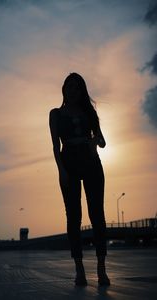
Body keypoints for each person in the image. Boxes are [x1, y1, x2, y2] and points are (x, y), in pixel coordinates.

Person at [49, 73, 110, 287]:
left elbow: (102, 141)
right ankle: (79, 269)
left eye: (77, 87)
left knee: (97, 214)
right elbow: (56, 147)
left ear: (82, 90)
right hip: (69, 163)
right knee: (73, 216)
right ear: (64, 89)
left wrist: (94, 141)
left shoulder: (89, 112)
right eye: (69, 87)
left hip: (91, 161)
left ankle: (101, 268)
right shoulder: (55, 114)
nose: (73, 91)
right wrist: (61, 171)